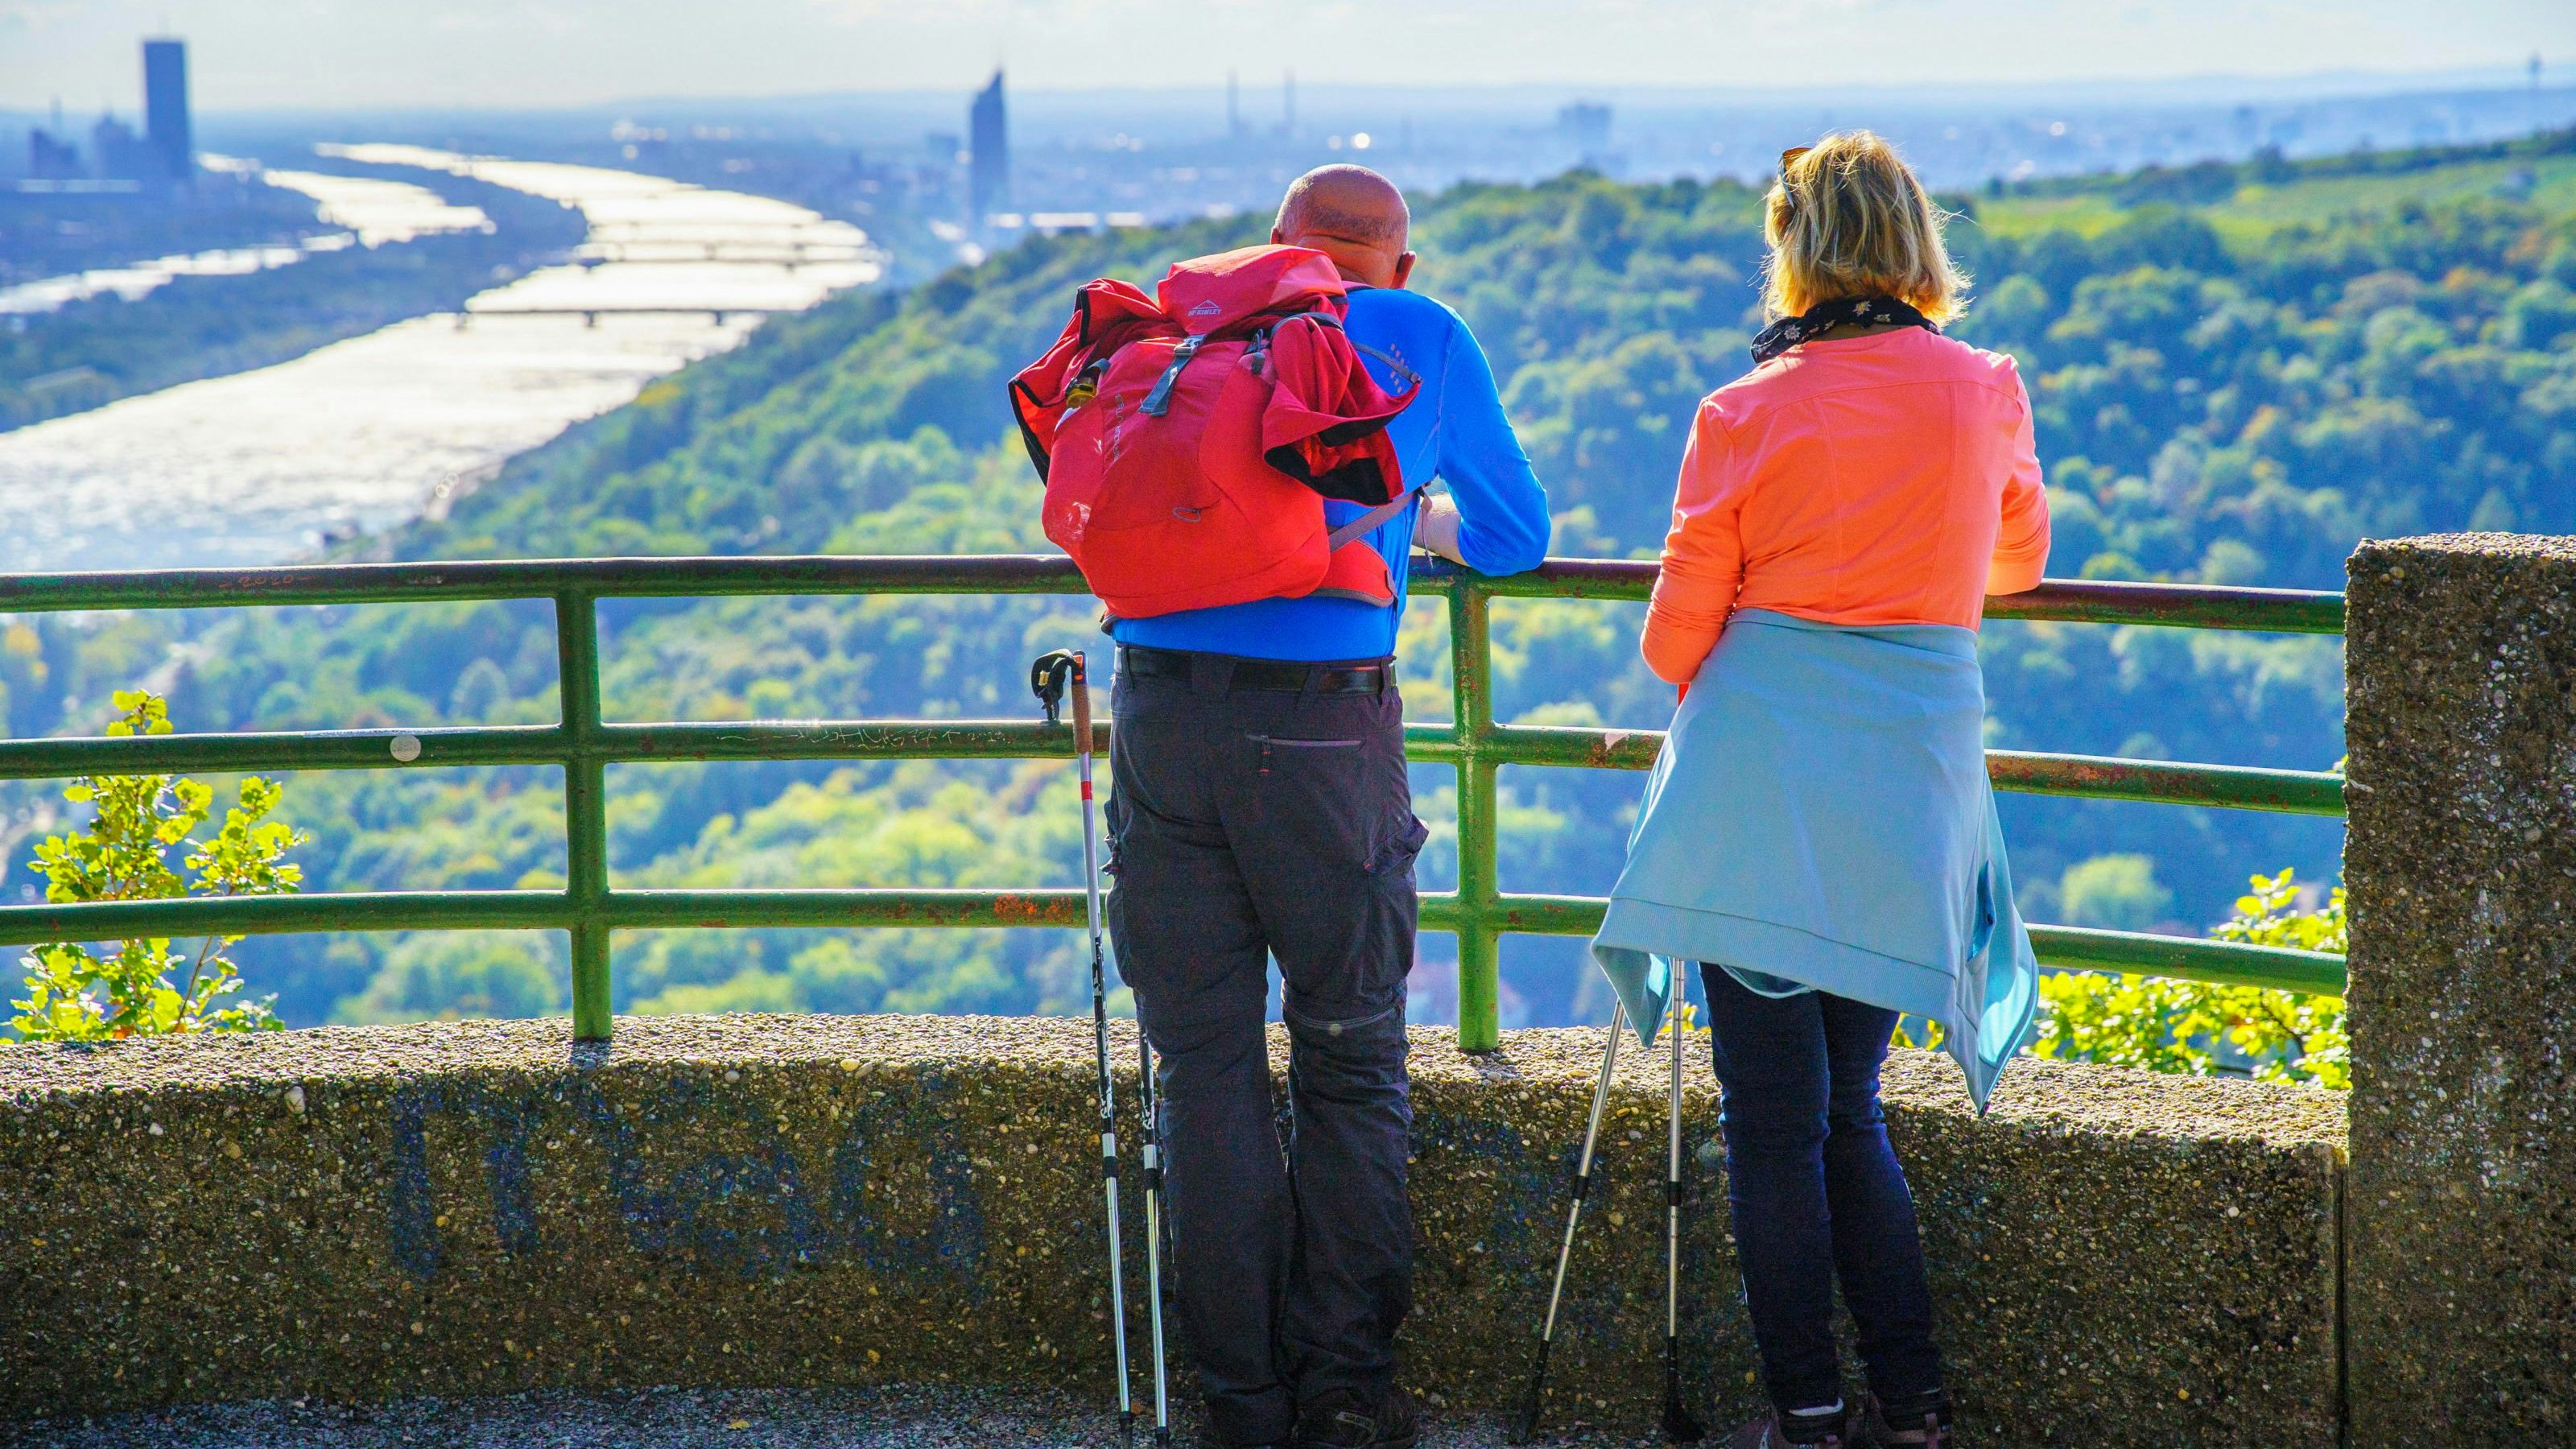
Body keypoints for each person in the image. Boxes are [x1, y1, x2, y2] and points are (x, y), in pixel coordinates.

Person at [1589, 132, 2052, 1449]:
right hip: (1910, 776)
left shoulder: (1744, 411)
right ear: (1918, 242)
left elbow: (1675, 638)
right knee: (1853, 1111)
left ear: (1794, 247)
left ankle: (1807, 1410)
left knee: (1769, 1126)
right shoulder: (1984, 388)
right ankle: (1914, 1402)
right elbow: (2018, 562)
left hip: (1761, 785)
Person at [1103, 164, 1552, 1449]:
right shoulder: (1421, 332)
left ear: (1279, 246)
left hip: (1159, 711)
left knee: (1204, 1072)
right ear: (1395, 267)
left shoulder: (1201, 328)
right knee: (1351, 1061)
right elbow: (1518, 532)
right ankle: (1345, 1394)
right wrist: (1409, 525)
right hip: (1319, 731)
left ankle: (1240, 1401)